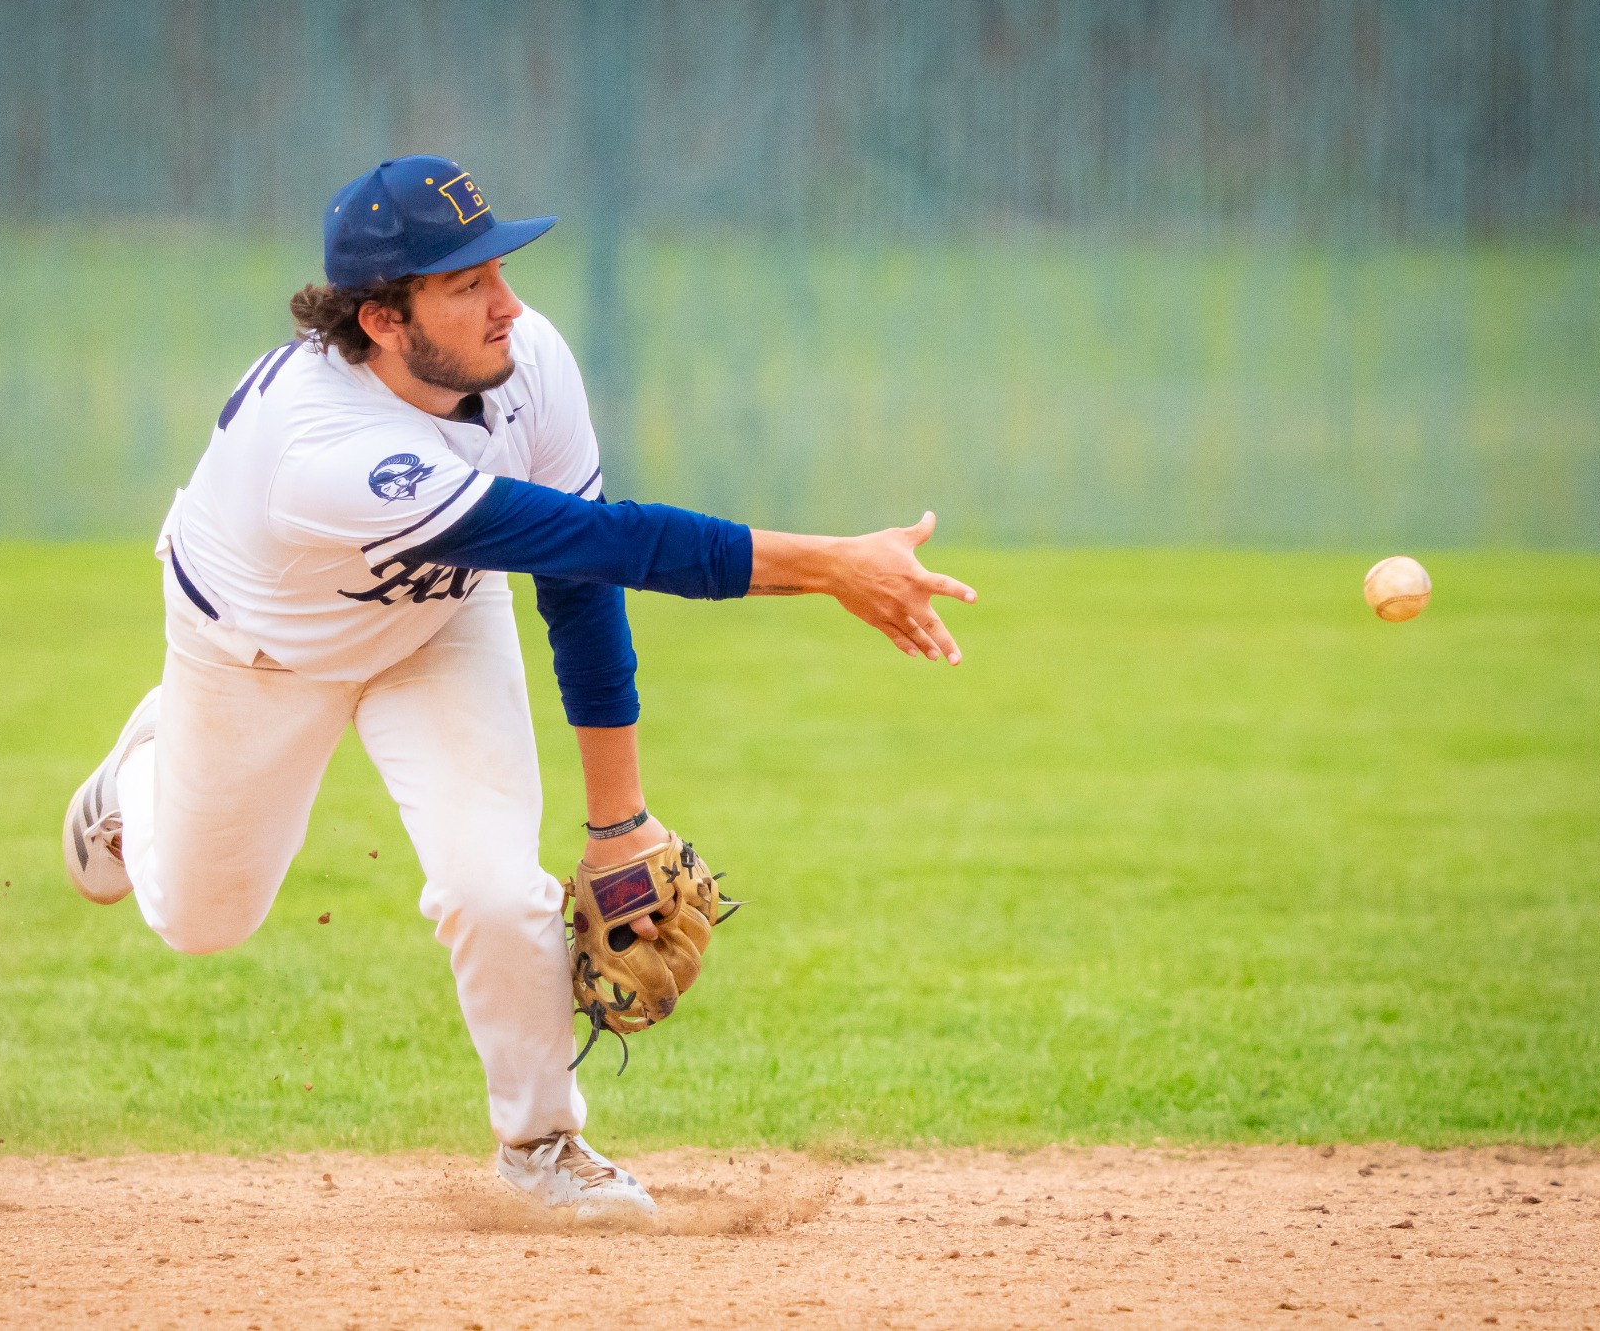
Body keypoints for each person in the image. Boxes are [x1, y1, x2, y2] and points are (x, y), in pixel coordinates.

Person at [62, 155, 974, 1220]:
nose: (508, 304)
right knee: (203, 921)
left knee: (494, 890)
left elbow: (578, 583)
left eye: (498, 267)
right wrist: (828, 563)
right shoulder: (329, 450)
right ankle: (141, 776)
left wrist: (617, 821)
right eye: (465, 284)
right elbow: (611, 539)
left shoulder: (523, 357)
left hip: (434, 616)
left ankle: (543, 1148)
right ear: (384, 322)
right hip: (258, 654)